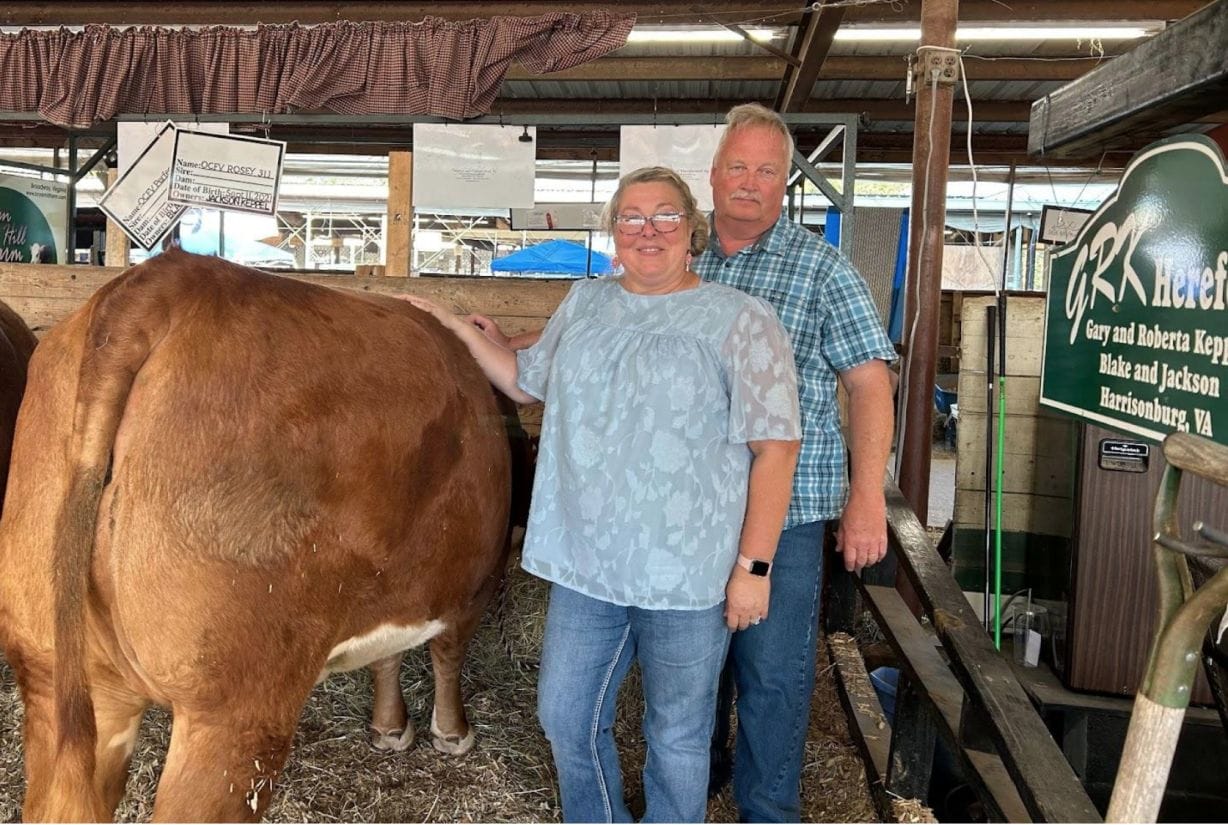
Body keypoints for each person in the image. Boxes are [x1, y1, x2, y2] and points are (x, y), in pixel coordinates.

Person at [468, 103, 897, 823]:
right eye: (738, 167)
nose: (750, 182)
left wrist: (866, 498)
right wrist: (486, 334)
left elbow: (868, 381)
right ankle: (693, 792)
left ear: (786, 180)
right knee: (655, 706)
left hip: (777, 512)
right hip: (635, 537)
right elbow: (598, 343)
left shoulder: (816, 269)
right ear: (714, 180)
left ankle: (765, 812)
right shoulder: (634, 282)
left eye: (767, 170)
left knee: (767, 679)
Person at [402, 166, 802, 823]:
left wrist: (753, 568)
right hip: (589, 565)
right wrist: (447, 325)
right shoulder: (586, 302)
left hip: (687, 571)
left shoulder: (740, 319)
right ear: (614, 231)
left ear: (691, 229)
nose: (648, 231)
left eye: (665, 216)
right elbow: (525, 380)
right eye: (632, 217)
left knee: (675, 731)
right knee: (563, 714)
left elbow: (776, 447)